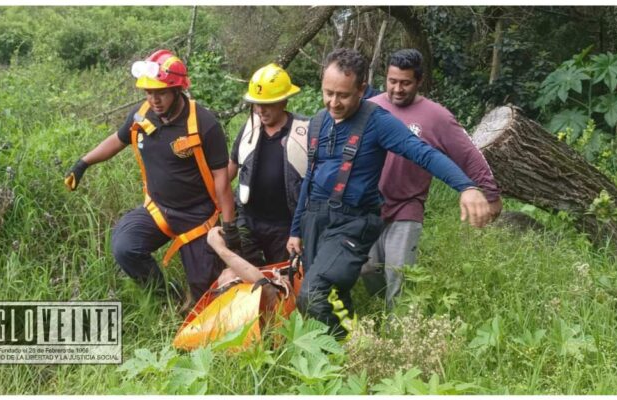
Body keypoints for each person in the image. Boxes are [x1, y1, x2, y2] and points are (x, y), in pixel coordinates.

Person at [286, 48, 492, 338]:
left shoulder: (377, 121)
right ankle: (353, 351)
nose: (334, 102)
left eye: (343, 95)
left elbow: (423, 153)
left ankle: (342, 350)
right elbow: (310, 177)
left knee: (312, 295)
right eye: (328, 93)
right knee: (335, 293)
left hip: (352, 223)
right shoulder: (318, 122)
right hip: (315, 220)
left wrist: (467, 186)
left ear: (362, 89)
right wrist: (296, 229)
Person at [63, 49, 240, 301]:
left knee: (207, 291)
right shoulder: (142, 115)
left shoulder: (204, 123)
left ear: (177, 90)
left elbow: (222, 179)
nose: (154, 100)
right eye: (149, 92)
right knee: (125, 248)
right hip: (158, 209)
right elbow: (117, 140)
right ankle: (170, 298)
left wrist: (230, 227)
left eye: (161, 93)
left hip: (198, 217)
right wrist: (82, 164)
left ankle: (200, 301)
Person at [360, 49, 503, 311]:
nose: (398, 89)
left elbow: (469, 155)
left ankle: (400, 328)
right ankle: (380, 314)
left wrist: (490, 194)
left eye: (405, 83)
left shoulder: (436, 117)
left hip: (407, 205)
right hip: (369, 205)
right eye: (392, 81)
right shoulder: (371, 107)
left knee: (399, 274)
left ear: (419, 81)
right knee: (366, 268)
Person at [227, 63, 309, 266]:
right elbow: (231, 167)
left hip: (285, 226)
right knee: (245, 276)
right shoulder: (249, 128)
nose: (261, 110)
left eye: (268, 104)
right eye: (256, 104)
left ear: (283, 101)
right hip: (248, 220)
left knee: (282, 280)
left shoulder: (305, 131)